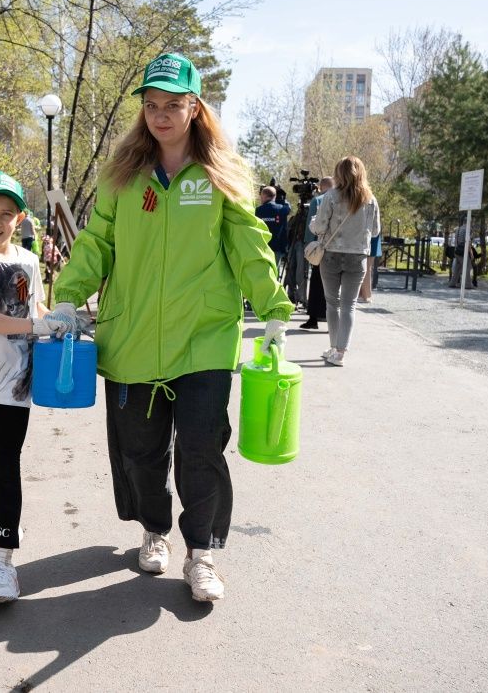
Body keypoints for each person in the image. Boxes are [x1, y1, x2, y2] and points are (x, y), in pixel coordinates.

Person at [51, 52, 293, 602]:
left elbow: (249, 245)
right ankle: (154, 530)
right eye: (152, 105)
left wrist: (275, 309)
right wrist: (68, 297)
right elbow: (97, 245)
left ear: (195, 108)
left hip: (203, 336)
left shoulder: (221, 175)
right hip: (132, 338)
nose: (161, 115)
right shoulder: (123, 176)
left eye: (173, 105)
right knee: (140, 452)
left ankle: (202, 551)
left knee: (203, 447)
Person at [0, 171, 76, 604]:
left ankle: (3, 563)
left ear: (20, 217)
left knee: (7, 464)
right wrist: (37, 323)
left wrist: (58, 318)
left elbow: (35, 305)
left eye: (7, 213)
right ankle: (4, 502)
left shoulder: (27, 259)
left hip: (16, 382)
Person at [309, 157, 380, 366]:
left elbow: (319, 227)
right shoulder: (370, 199)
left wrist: (313, 221)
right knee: (349, 306)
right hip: (358, 257)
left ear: (339, 173)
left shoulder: (330, 196)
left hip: (331, 255)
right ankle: (340, 353)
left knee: (332, 303)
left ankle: (333, 347)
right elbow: (375, 230)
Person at [299, 177, 333, 330]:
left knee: (316, 283)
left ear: (320, 187)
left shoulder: (317, 200)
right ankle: (331, 319)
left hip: (320, 247)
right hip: (336, 248)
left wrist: (308, 246)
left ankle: (313, 318)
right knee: (333, 285)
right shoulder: (341, 199)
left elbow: (310, 227)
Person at [255, 186, 291, 273]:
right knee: (275, 271)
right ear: (274, 196)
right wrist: (282, 198)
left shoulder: (257, 211)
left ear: (264, 196)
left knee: (262, 272)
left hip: (262, 246)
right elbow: (288, 207)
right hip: (277, 247)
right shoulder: (282, 209)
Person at [358, 232, 382, 302]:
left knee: (366, 267)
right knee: (366, 267)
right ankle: (363, 294)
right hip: (370, 236)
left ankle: (365, 295)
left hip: (368, 237)